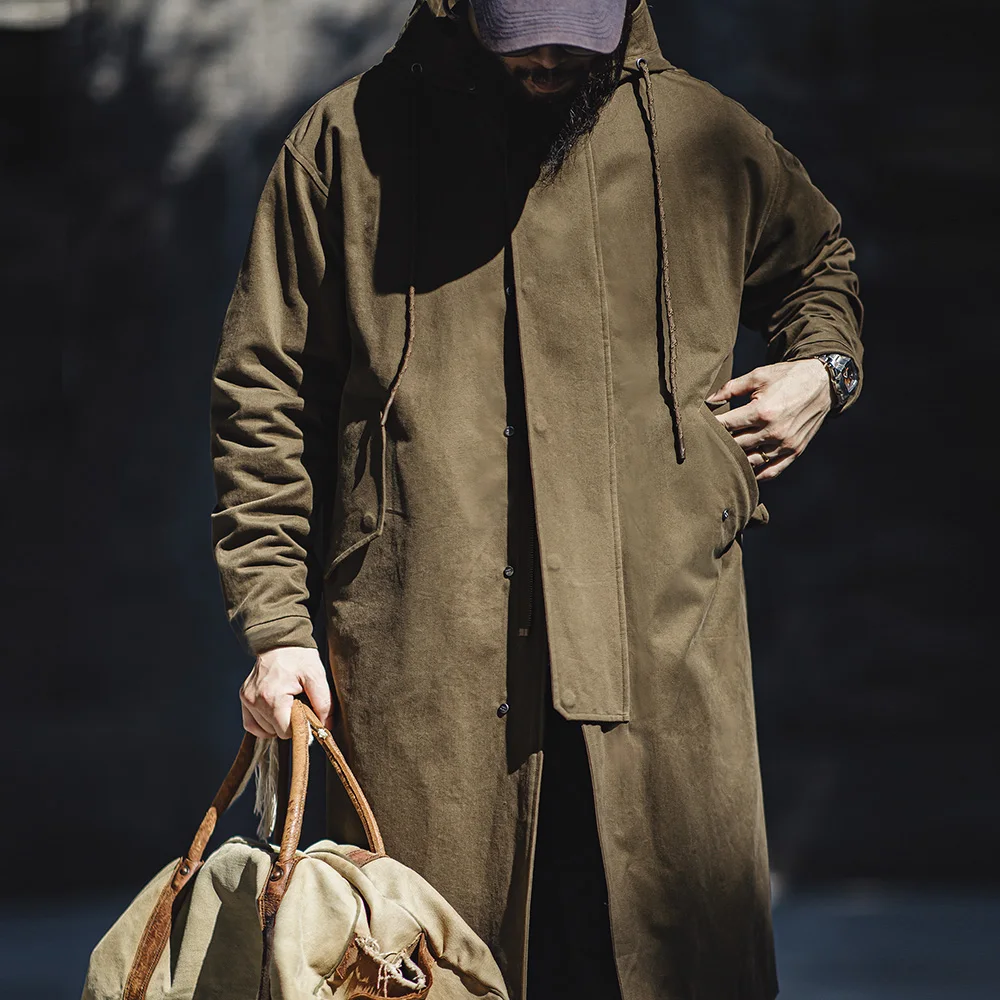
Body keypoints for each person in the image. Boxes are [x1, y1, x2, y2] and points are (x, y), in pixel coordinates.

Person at [209, 1, 864, 997]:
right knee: (425, 968)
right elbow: (265, 390)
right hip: (426, 667)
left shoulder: (705, 135)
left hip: (659, 660)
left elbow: (819, 265)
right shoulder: (348, 143)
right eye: (522, 33)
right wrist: (276, 625)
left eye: (572, 33)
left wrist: (823, 370)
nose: (549, 56)